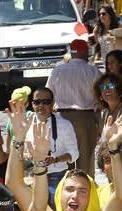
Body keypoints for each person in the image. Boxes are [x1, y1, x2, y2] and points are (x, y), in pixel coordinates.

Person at [46, 39, 101, 175]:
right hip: (85, 117)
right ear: (85, 52)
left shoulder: (57, 70)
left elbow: (48, 94)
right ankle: (85, 189)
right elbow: (100, 98)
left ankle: (66, 188)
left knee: (65, 158)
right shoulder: (92, 70)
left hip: (61, 117)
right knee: (85, 160)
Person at [24, 87, 79, 207]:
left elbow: (74, 154)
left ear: (53, 103)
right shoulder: (26, 123)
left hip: (56, 175)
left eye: (46, 102)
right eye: (37, 102)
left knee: (55, 204)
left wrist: (55, 159)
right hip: (31, 175)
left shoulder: (64, 125)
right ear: (32, 104)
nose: (41, 105)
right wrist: (28, 156)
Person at [93, 72, 122, 143]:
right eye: (103, 87)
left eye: (110, 85)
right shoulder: (104, 113)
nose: (106, 89)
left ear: (119, 89)